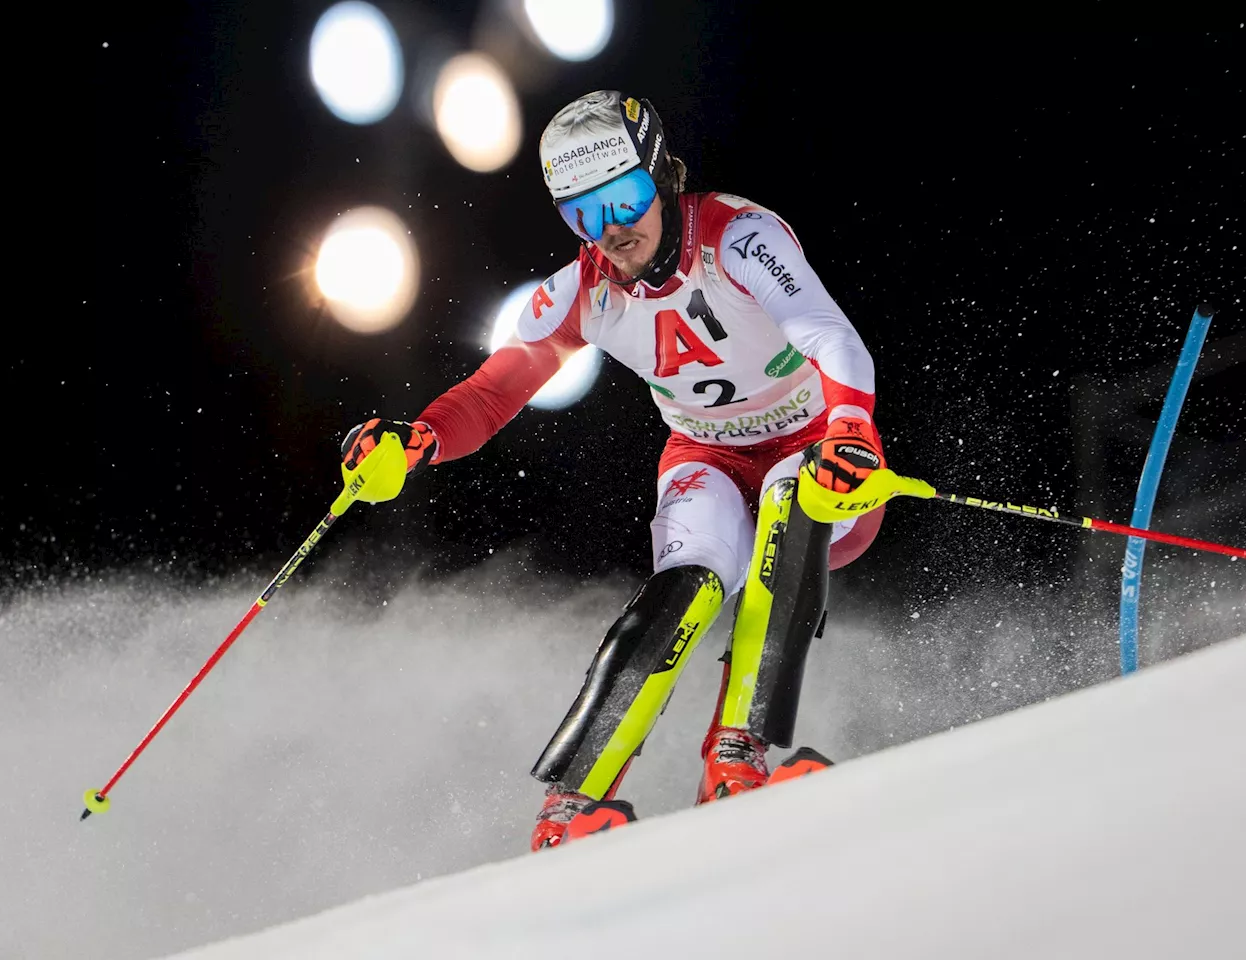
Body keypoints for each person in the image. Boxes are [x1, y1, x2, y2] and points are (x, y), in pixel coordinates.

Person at [340, 90, 888, 851]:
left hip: (824, 450)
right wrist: (419, 438)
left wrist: (852, 426)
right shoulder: (583, 291)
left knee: (793, 499)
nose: (614, 230)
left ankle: (737, 760)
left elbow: (828, 332)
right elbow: (496, 391)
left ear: (661, 177)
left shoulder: (738, 235)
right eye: (584, 215)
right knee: (689, 579)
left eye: (626, 199)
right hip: (707, 455)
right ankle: (570, 807)